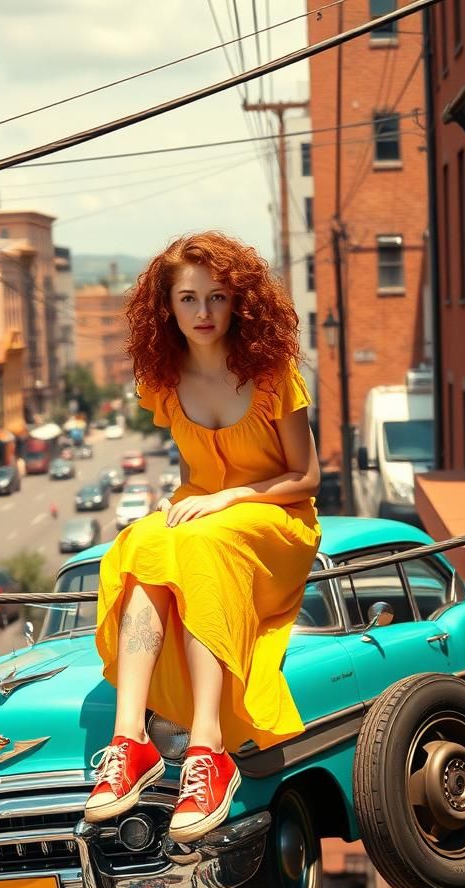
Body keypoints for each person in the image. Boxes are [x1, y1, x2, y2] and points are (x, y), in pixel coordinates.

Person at [86, 231, 322, 843]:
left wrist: (230, 497)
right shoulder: (162, 379)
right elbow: (193, 481)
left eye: (217, 298)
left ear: (239, 301)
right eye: (188, 299)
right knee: (139, 544)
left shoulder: (272, 374)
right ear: (166, 306)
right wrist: (198, 501)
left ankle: (207, 750)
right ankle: (130, 739)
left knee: (199, 545)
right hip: (202, 515)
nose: (203, 314)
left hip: (276, 518)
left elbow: (307, 476)